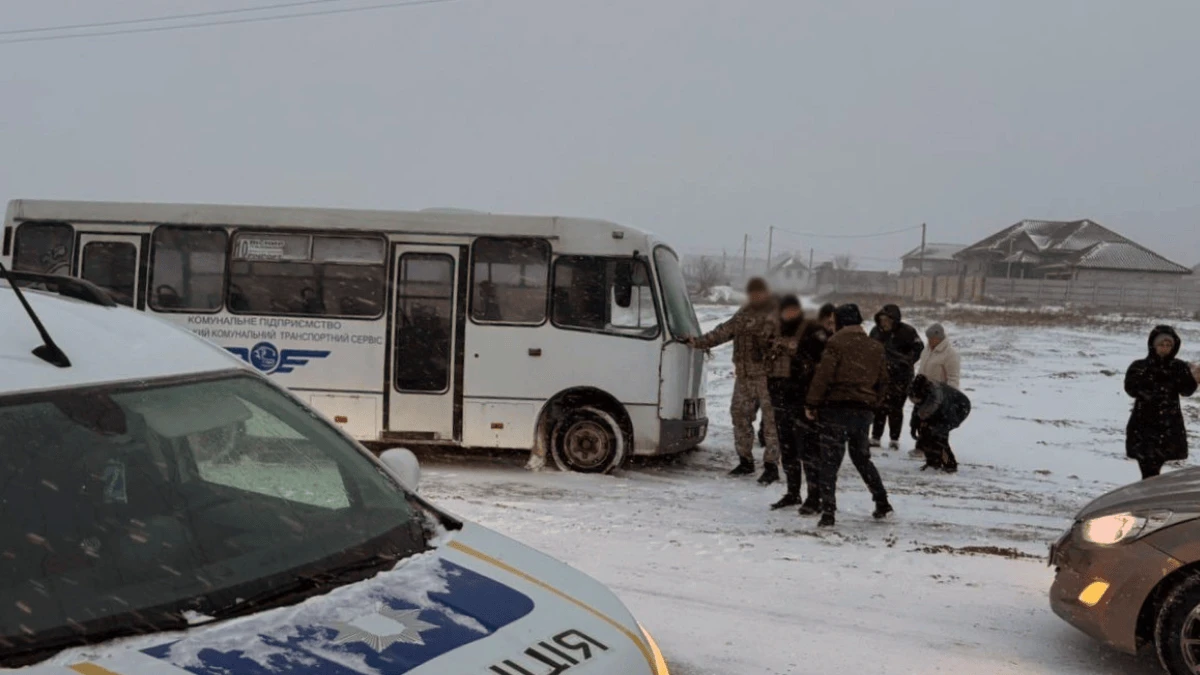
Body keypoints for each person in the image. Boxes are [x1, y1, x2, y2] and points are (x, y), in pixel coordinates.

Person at [805, 304, 893, 529]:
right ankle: (882, 502)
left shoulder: (836, 343)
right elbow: (884, 381)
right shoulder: (875, 346)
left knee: (829, 463)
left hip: (836, 409)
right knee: (862, 459)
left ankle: (828, 513)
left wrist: (812, 403)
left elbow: (823, 376)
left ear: (841, 322)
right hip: (863, 411)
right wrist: (872, 403)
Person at [688, 278, 781, 479]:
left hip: (768, 378)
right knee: (740, 416)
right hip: (744, 378)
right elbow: (723, 332)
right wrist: (698, 342)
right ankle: (745, 461)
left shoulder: (776, 315)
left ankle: (771, 466)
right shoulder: (743, 314)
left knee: (772, 423)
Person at [768, 301, 835, 514]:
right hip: (782, 399)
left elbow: (822, 366)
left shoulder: (814, 332)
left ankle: (814, 497)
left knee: (809, 451)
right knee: (788, 449)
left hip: (804, 401)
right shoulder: (777, 331)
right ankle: (793, 492)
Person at [1124, 326, 1200, 480]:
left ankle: (1149, 492)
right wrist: (1151, 386)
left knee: (1155, 467)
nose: (1165, 348)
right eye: (1161, 345)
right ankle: (1148, 492)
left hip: (1168, 424)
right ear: (1153, 345)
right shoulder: (1139, 366)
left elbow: (1186, 391)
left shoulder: (1178, 367)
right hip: (1144, 423)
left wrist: (1195, 379)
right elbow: (1131, 389)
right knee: (1148, 466)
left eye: (1168, 345)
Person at [869, 304, 924, 451]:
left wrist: (906, 361)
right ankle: (875, 437)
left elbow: (919, 348)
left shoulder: (907, 331)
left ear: (895, 320)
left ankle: (894, 439)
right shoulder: (875, 331)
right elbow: (868, 349)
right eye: (882, 319)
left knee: (896, 409)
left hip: (901, 378)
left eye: (887, 320)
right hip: (880, 377)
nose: (884, 323)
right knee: (879, 407)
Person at [915, 323, 961, 458]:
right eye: (928, 338)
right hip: (924, 392)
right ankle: (921, 447)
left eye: (932, 338)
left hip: (940, 395)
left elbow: (953, 378)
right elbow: (921, 370)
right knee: (921, 420)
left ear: (940, 338)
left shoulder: (950, 354)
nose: (930, 341)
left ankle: (939, 452)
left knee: (937, 425)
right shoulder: (926, 350)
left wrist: (949, 397)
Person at [909, 374, 971, 473]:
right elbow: (917, 411)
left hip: (958, 408)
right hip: (939, 409)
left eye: (917, 399)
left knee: (939, 439)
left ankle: (950, 465)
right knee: (925, 433)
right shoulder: (919, 394)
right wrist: (914, 425)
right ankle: (933, 463)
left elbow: (950, 420)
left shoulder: (939, 399)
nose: (915, 401)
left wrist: (936, 429)